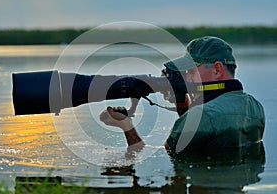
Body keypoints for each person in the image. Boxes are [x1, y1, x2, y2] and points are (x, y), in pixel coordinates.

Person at [100, 36, 265, 154]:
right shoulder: (255, 106)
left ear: (217, 69)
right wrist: (181, 100)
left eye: (191, 71)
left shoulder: (202, 116)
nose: (187, 77)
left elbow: (158, 155)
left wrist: (126, 126)